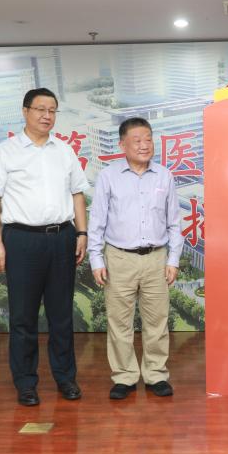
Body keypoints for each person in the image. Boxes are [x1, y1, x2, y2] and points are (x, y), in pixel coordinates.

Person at [0, 88, 90, 406]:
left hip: (62, 238)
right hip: (21, 240)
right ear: (25, 111)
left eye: (52, 110)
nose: (47, 115)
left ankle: (66, 378)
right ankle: (26, 382)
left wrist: (81, 233)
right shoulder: (4, 152)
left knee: (61, 315)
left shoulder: (64, 151)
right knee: (23, 317)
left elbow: (77, 194)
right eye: (40, 109)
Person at [87, 117, 183, 399]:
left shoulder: (164, 176)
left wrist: (173, 259)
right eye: (137, 140)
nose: (144, 145)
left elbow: (174, 223)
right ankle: (124, 377)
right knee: (119, 322)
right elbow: (97, 222)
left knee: (157, 321)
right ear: (122, 145)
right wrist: (97, 260)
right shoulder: (108, 176)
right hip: (119, 258)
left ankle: (156, 374)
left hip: (156, 258)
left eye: (148, 139)